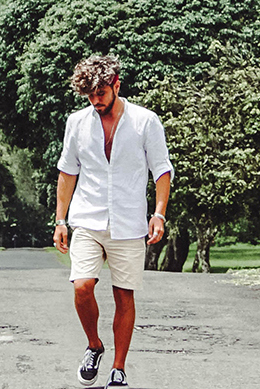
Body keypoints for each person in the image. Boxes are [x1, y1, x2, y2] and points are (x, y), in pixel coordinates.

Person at [54, 54, 172, 388]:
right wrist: (60, 220)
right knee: (82, 287)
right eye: (90, 96)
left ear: (116, 84)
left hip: (129, 222)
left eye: (101, 93)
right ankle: (94, 345)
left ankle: (118, 369)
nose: (96, 101)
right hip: (87, 220)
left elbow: (161, 170)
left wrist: (159, 213)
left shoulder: (145, 121)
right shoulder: (77, 123)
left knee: (124, 296)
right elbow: (67, 172)